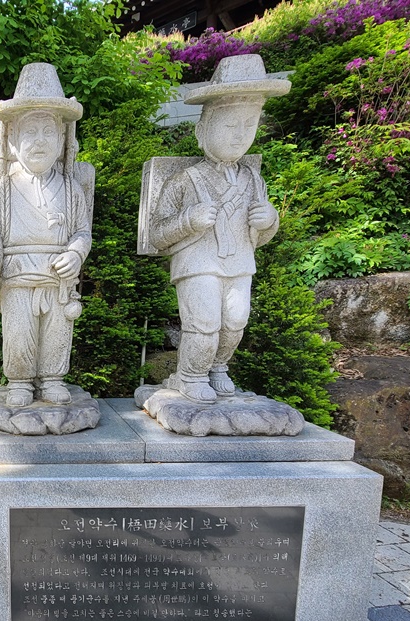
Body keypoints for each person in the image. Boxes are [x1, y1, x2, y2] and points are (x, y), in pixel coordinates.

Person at [147, 54, 290, 404]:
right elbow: (157, 234)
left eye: (249, 125)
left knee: (235, 323)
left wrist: (269, 220)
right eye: (229, 126)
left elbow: (261, 235)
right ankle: (190, 375)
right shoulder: (185, 181)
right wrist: (188, 220)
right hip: (198, 262)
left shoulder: (253, 178)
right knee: (204, 323)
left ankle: (218, 368)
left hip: (239, 262)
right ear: (202, 130)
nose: (239, 135)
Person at [0, 62, 94, 408]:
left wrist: (75, 253)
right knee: (19, 334)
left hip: (58, 279)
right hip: (17, 276)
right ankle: (20, 381)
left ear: (61, 140)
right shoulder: (0, 189)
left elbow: (82, 232)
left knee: (57, 333)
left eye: (48, 132)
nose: (39, 141)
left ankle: (53, 379)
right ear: (12, 141)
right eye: (30, 132)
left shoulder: (72, 189)